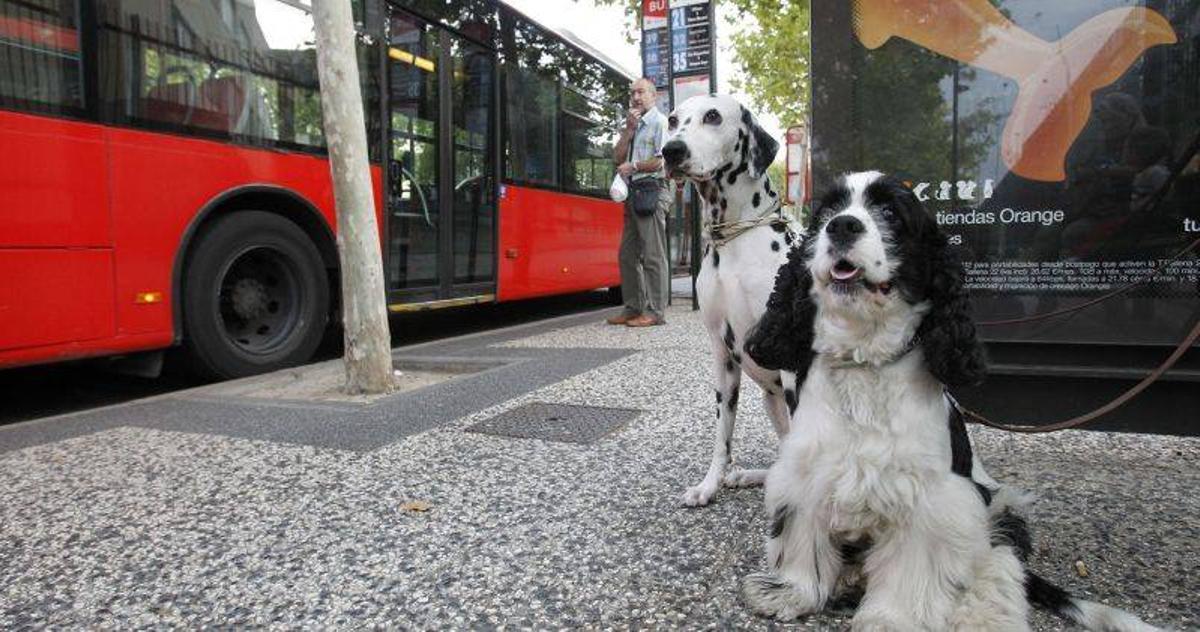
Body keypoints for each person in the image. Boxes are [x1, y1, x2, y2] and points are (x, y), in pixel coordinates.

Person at [607, 78, 671, 327]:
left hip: (652, 190)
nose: (635, 97)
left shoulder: (659, 122)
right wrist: (629, 130)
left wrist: (633, 166)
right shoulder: (632, 124)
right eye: (632, 93)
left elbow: (661, 161)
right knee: (627, 254)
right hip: (632, 192)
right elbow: (617, 157)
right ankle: (633, 307)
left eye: (641, 92)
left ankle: (655, 312)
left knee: (653, 255)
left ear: (653, 96)